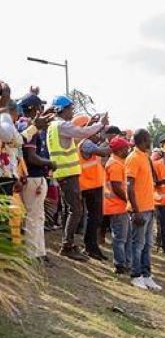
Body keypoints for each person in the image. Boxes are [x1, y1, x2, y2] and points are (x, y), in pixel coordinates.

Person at [46, 95, 107, 260]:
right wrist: (100, 124)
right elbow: (82, 132)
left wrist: (91, 125)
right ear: (62, 109)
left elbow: (78, 136)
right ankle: (67, 245)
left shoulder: (54, 126)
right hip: (68, 174)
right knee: (76, 210)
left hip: (64, 174)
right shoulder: (61, 125)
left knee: (73, 209)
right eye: (70, 109)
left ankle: (69, 244)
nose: (72, 112)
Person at [19, 95, 57, 263]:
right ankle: (32, 254)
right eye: (39, 107)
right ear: (33, 109)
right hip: (32, 177)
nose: (41, 111)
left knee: (38, 216)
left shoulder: (30, 126)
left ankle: (39, 252)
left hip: (36, 177)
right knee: (33, 217)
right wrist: (50, 162)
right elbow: (31, 157)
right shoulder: (29, 126)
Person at [126, 129, 162, 290]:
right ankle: (136, 275)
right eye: (148, 139)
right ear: (143, 140)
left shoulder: (145, 157)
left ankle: (147, 275)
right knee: (138, 244)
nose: (150, 142)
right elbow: (129, 185)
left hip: (149, 207)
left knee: (147, 244)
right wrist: (136, 210)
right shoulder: (133, 158)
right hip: (139, 209)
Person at [77, 115, 111, 260]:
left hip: (94, 185)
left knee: (95, 218)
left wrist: (102, 130)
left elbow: (101, 144)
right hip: (89, 186)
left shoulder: (88, 142)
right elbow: (103, 152)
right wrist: (115, 144)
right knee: (94, 218)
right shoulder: (86, 144)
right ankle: (90, 247)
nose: (99, 136)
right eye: (95, 132)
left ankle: (92, 247)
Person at [104, 137, 132, 274]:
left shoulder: (119, 161)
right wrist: (129, 200)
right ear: (120, 150)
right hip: (117, 205)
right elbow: (116, 187)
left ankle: (126, 262)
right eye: (126, 148)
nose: (128, 149)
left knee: (125, 236)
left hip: (120, 205)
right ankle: (120, 265)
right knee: (120, 237)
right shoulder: (115, 164)